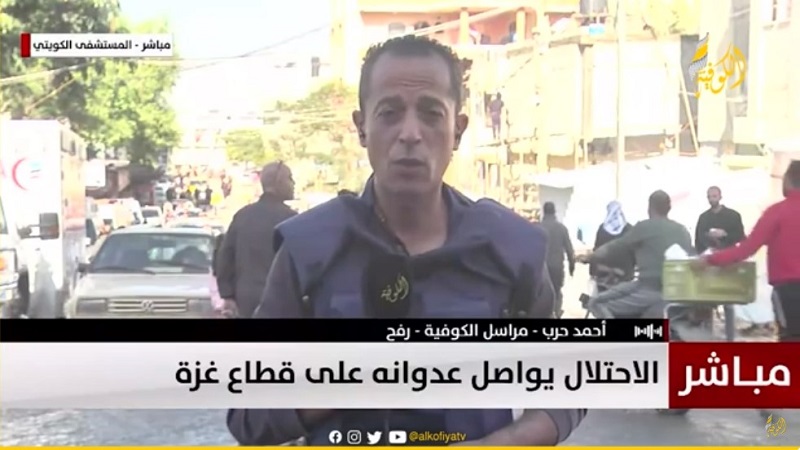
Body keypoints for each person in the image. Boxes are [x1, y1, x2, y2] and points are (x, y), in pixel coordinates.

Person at [228, 35, 584, 446]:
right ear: (362, 127)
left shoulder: (511, 248)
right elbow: (247, 414)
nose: (410, 133)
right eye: (389, 113)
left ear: (457, 130)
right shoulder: (308, 249)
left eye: (431, 114)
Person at [695, 161, 800, 341]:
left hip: (789, 290)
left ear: (789, 181)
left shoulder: (777, 212)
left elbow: (746, 248)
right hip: (788, 288)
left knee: (791, 338)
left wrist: (710, 260)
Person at [581, 191, 693, 319]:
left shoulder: (644, 227)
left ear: (649, 207)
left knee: (596, 302)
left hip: (648, 286)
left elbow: (614, 247)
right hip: (677, 290)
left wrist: (590, 256)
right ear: (669, 208)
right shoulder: (683, 230)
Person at [215, 162, 297, 318]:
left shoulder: (243, 216)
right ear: (278, 182)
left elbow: (225, 258)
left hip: (246, 300)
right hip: (283, 301)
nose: (293, 184)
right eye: (290, 178)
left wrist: (227, 295)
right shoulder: (292, 220)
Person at [538, 202, 575, 318]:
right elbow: (569, 250)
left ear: (544, 211)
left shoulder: (538, 227)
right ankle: (555, 313)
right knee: (556, 292)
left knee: (540, 293)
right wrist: (572, 267)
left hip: (541, 267)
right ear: (554, 212)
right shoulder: (561, 228)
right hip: (557, 267)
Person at [591, 201, 636, 289]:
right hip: (625, 274)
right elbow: (635, 251)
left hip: (604, 275)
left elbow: (597, 251)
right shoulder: (629, 229)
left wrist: (593, 271)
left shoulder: (602, 229)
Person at [694, 186, 745, 254]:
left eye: (714, 196)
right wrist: (709, 236)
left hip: (730, 254)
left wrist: (725, 234)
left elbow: (740, 236)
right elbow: (698, 239)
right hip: (710, 256)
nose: (711, 199)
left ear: (720, 197)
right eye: (709, 197)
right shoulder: (703, 218)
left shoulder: (733, 216)